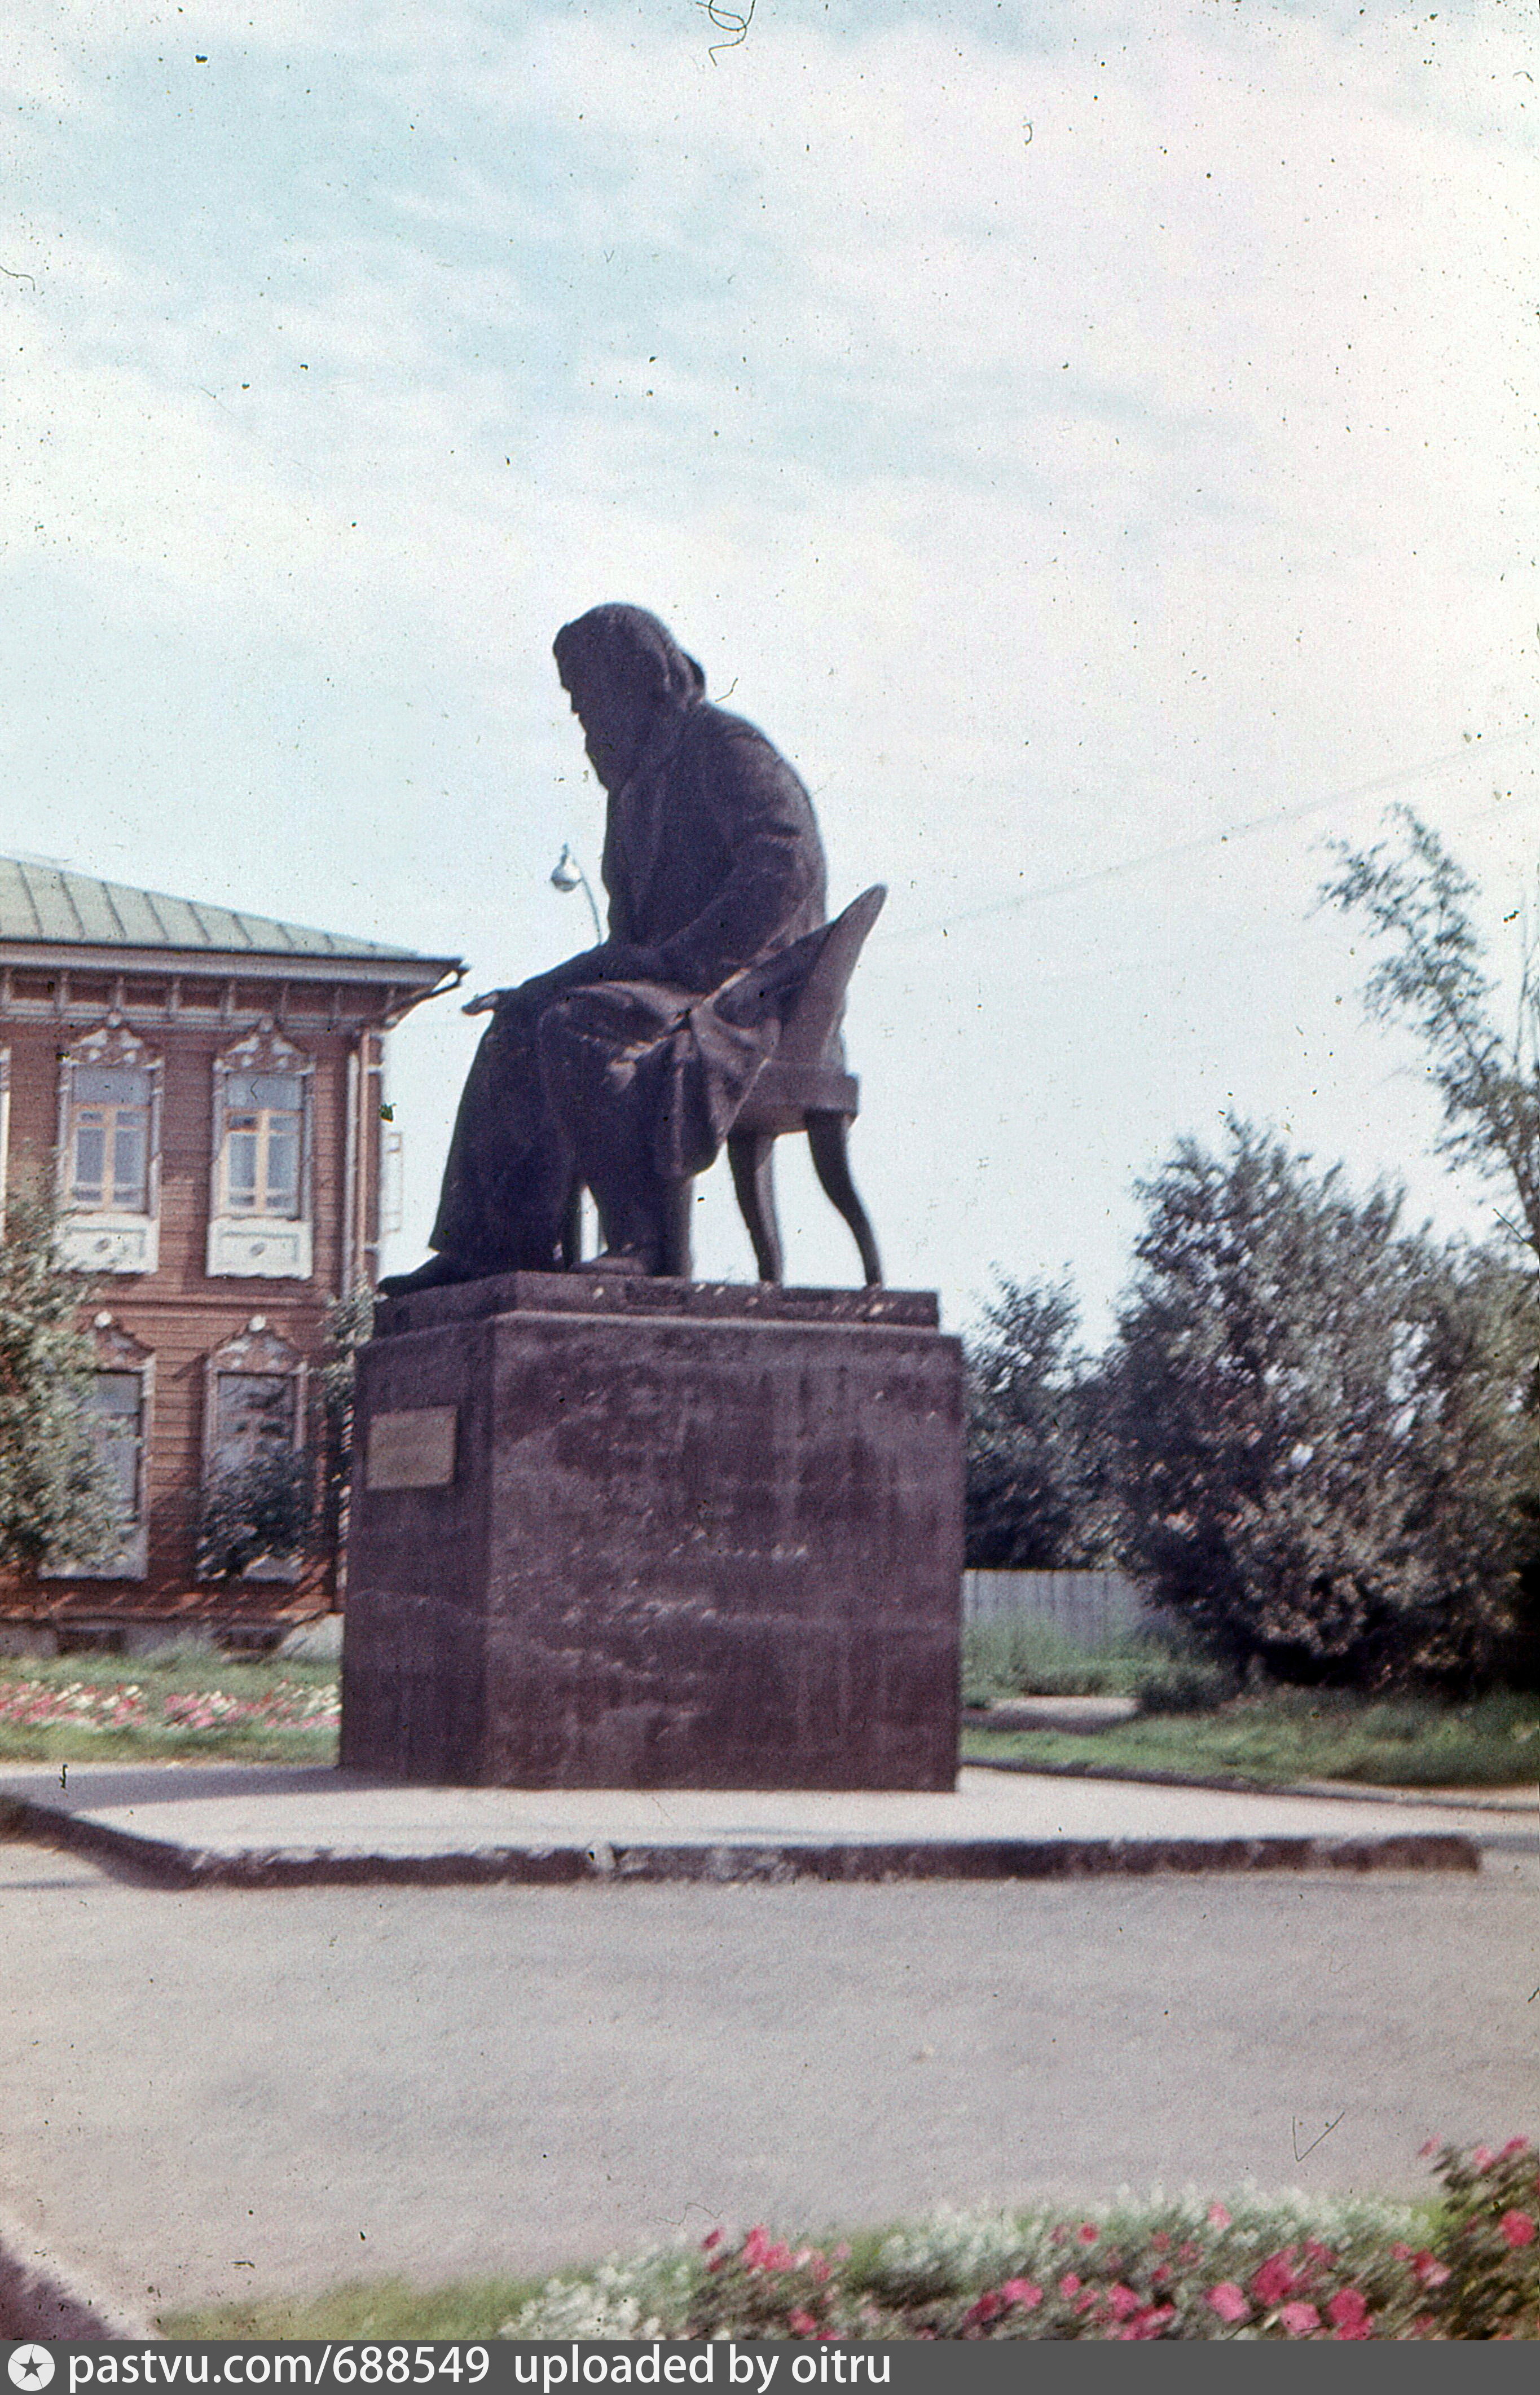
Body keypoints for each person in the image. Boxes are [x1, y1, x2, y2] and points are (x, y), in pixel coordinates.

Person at [380, 604, 834, 1290]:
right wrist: (535, 989)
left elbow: (785, 867)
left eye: (587, 695)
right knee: (520, 1025)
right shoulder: (633, 793)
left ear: (638, 681)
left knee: (581, 1027)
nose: (581, 715)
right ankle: (497, 1246)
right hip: (672, 987)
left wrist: (684, 959)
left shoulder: (722, 745)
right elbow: (626, 944)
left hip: (750, 994)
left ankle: (644, 1242)